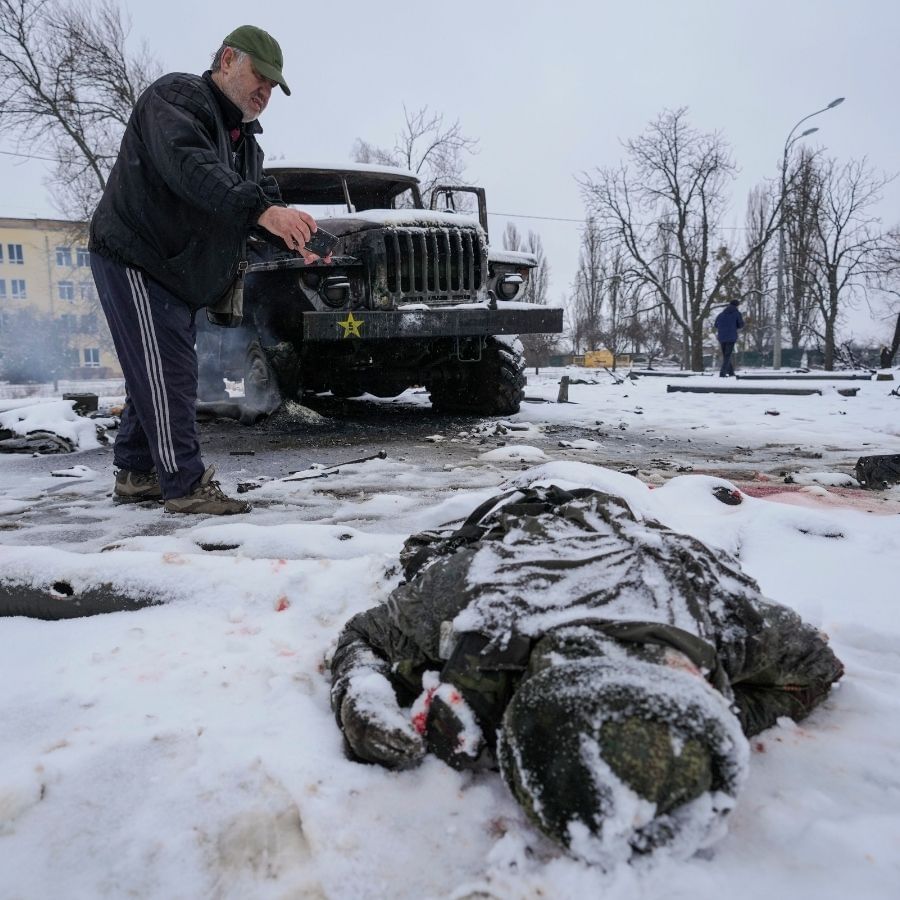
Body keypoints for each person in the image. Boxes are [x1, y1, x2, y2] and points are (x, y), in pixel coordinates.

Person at [329, 484, 843, 865]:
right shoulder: (485, 583)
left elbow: (818, 670)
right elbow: (366, 635)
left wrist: (722, 712)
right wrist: (361, 703)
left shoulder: (719, 608)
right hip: (525, 506)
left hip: (635, 520)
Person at [90, 26, 327, 515]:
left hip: (176, 274)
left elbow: (247, 204)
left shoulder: (246, 147)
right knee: (170, 371)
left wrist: (290, 233)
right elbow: (192, 168)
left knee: (155, 369)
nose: (264, 94)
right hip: (137, 254)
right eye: (259, 78)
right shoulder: (178, 98)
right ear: (226, 60)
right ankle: (186, 485)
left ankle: (137, 473)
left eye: (272, 88)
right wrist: (263, 210)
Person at [714, 298, 744, 377]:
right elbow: (741, 325)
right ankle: (722, 372)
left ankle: (731, 372)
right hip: (731, 337)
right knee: (727, 355)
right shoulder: (737, 313)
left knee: (726, 355)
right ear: (737, 306)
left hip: (721, 337)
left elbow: (716, 325)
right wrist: (734, 326)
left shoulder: (721, 314)